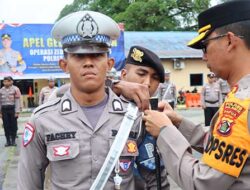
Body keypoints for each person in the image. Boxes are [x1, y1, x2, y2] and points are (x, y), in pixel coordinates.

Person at [17, 10, 163, 190]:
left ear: (109, 64)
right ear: (64, 65)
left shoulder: (134, 117)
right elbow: (28, 184)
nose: (88, 62)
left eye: (97, 55)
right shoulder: (42, 120)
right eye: (78, 56)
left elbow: (154, 179)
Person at [142, 1, 250, 189]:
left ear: (230, 41)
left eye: (205, 46)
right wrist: (178, 123)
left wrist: (165, 132)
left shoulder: (242, 103)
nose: (204, 57)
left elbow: (202, 182)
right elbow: (226, 143)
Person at [120, 45, 168, 189]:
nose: (147, 83)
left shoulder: (153, 118)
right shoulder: (102, 107)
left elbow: (156, 176)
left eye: (154, 78)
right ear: (123, 75)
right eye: (141, 74)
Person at [0, 76, 21, 146]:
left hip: (12, 109)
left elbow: (17, 101)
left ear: (10, 82)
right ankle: (8, 141)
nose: (5, 82)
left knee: (13, 126)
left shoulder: (15, 89)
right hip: (4, 110)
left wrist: (17, 112)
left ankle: (13, 141)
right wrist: (0, 113)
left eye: (7, 81)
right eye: (4, 81)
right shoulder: (1, 90)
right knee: (6, 126)